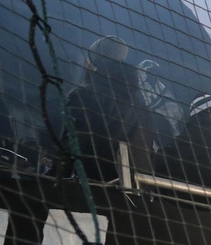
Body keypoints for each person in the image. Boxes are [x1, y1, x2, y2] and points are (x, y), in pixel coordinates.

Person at [64, 35, 153, 181]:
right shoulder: (141, 107)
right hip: (133, 197)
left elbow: (73, 144)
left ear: (94, 60)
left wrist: (54, 177)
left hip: (93, 190)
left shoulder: (85, 94)